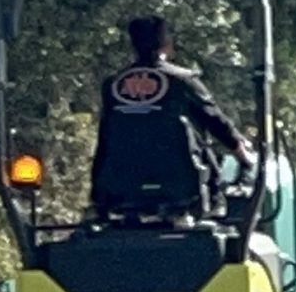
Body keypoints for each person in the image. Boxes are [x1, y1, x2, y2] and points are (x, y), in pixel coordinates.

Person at [90, 15, 253, 220]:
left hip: (121, 185)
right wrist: (241, 152)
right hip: (180, 182)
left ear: (133, 44)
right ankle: (213, 202)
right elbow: (214, 120)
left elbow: (105, 137)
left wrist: (98, 192)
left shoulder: (113, 85)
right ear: (167, 43)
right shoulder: (183, 81)